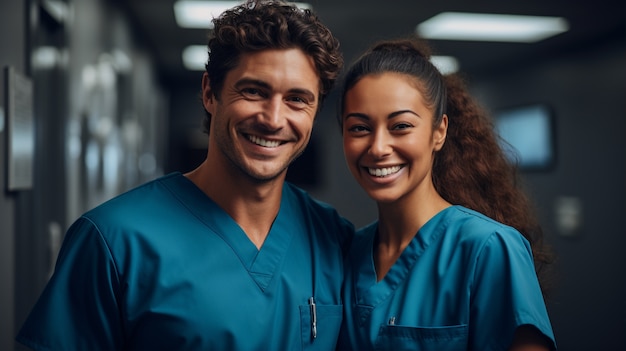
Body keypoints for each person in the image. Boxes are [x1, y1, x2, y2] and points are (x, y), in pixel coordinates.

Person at [16, 1, 353, 350]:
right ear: (210, 93)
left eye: (297, 99)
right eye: (254, 91)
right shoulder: (114, 241)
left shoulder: (334, 240)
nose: (273, 118)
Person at [335, 37, 556, 351]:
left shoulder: (488, 248)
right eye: (359, 128)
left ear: (439, 132)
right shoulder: (346, 254)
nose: (378, 147)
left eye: (400, 126)